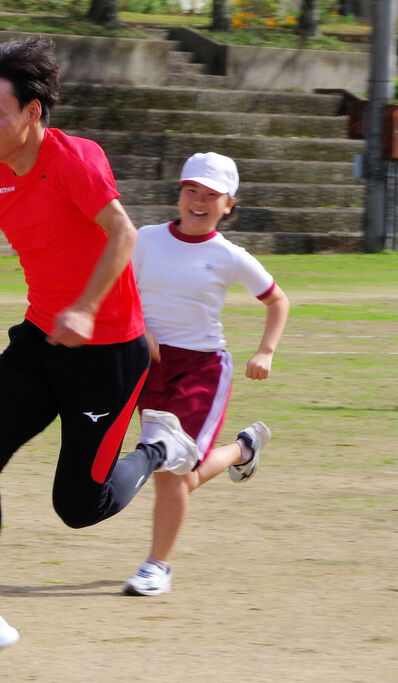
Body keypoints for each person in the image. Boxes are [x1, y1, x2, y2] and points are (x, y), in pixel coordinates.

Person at [0, 38, 200, 670]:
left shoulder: (75, 160)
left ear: (32, 113)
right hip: (40, 342)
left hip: (109, 355)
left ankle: (162, 448)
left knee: (78, 507)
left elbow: (122, 234)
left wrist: (86, 307)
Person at [122, 152, 290, 596]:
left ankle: (157, 566)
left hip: (201, 371)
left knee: (170, 472)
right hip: (150, 365)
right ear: (178, 193)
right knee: (176, 475)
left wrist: (266, 352)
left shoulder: (230, 256)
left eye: (211, 195)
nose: (198, 201)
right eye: (190, 190)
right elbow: (121, 288)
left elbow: (278, 301)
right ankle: (242, 449)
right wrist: (139, 331)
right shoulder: (145, 239)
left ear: (229, 204)